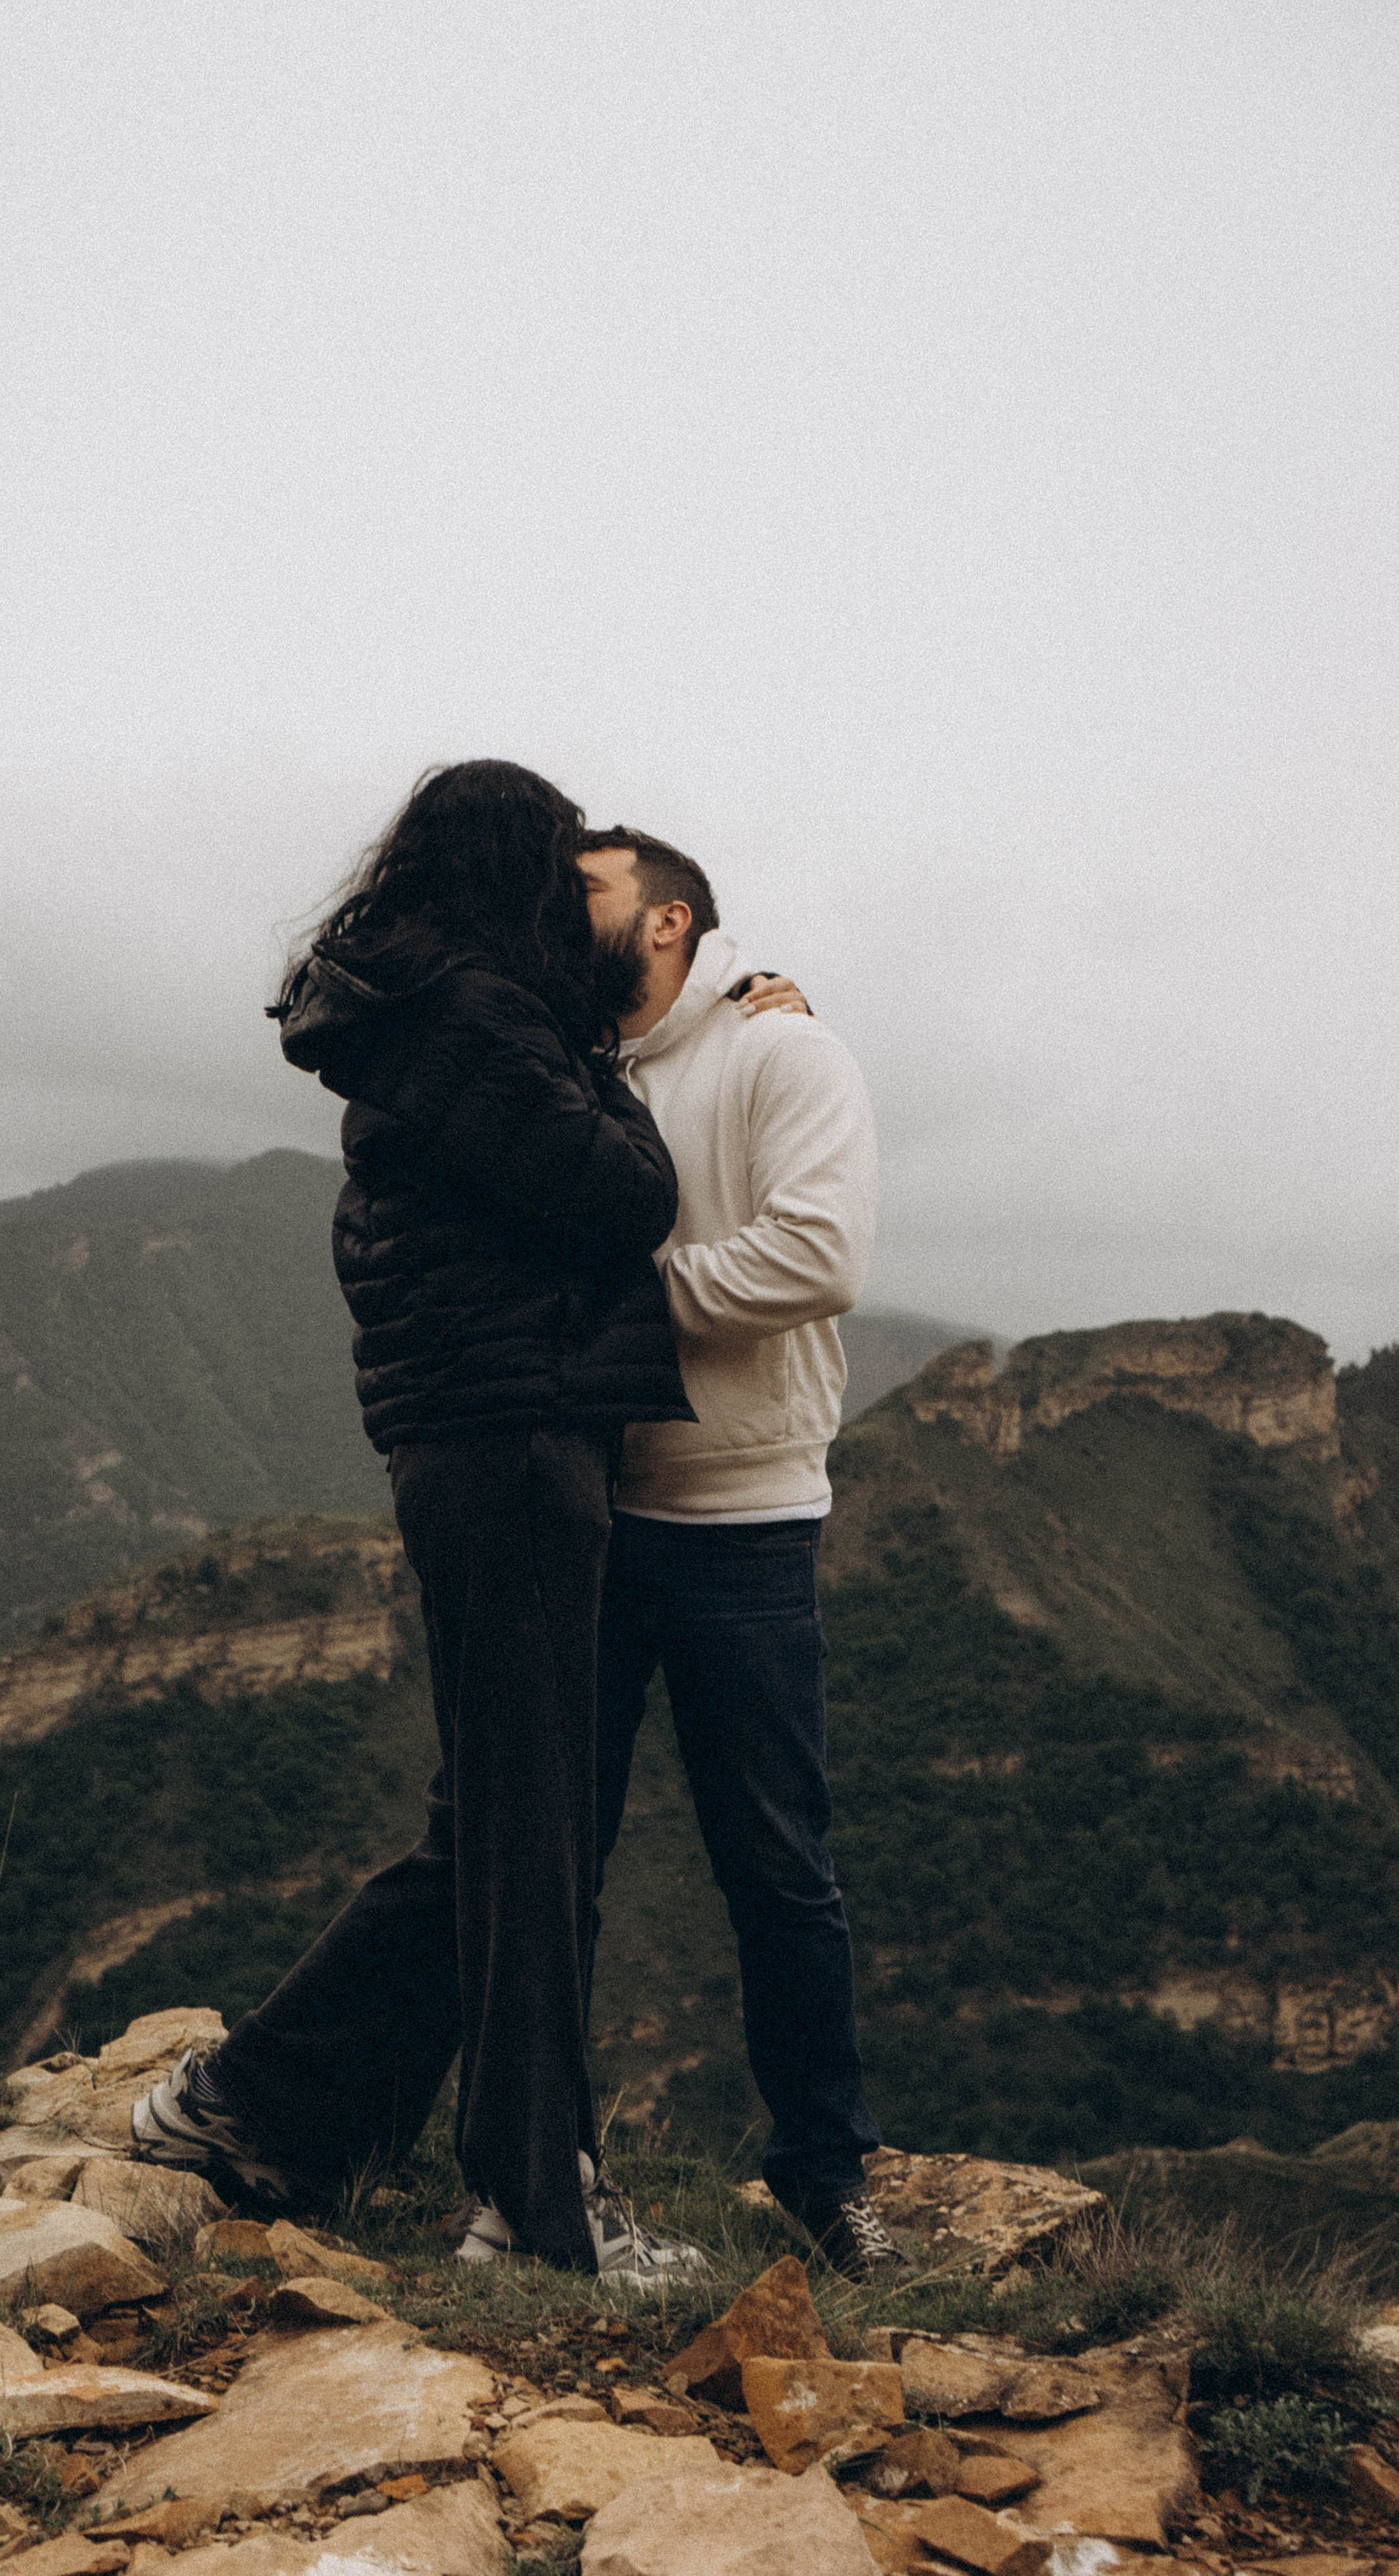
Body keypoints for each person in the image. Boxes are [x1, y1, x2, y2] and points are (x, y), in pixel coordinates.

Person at [129, 762, 705, 2278]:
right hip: (512, 1436)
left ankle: (251, 2109)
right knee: (528, 1835)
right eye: (563, 871)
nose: (575, 901)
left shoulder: (429, 1012)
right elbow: (626, 1195)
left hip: (486, 1433)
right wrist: (616, 1062)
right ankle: (532, 2208)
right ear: (513, 866)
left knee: (491, 1825)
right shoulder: (478, 1018)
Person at [572, 826, 907, 2279]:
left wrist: (612, 1306)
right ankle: (542, 2165)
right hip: (580, 1511)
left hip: (740, 1520)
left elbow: (818, 1257)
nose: (549, 912)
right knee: (549, 1859)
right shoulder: (561, 1067)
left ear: (667, 920)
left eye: (577, 890)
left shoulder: (782, 1056)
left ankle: (823, 2177)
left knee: (774, 1861)